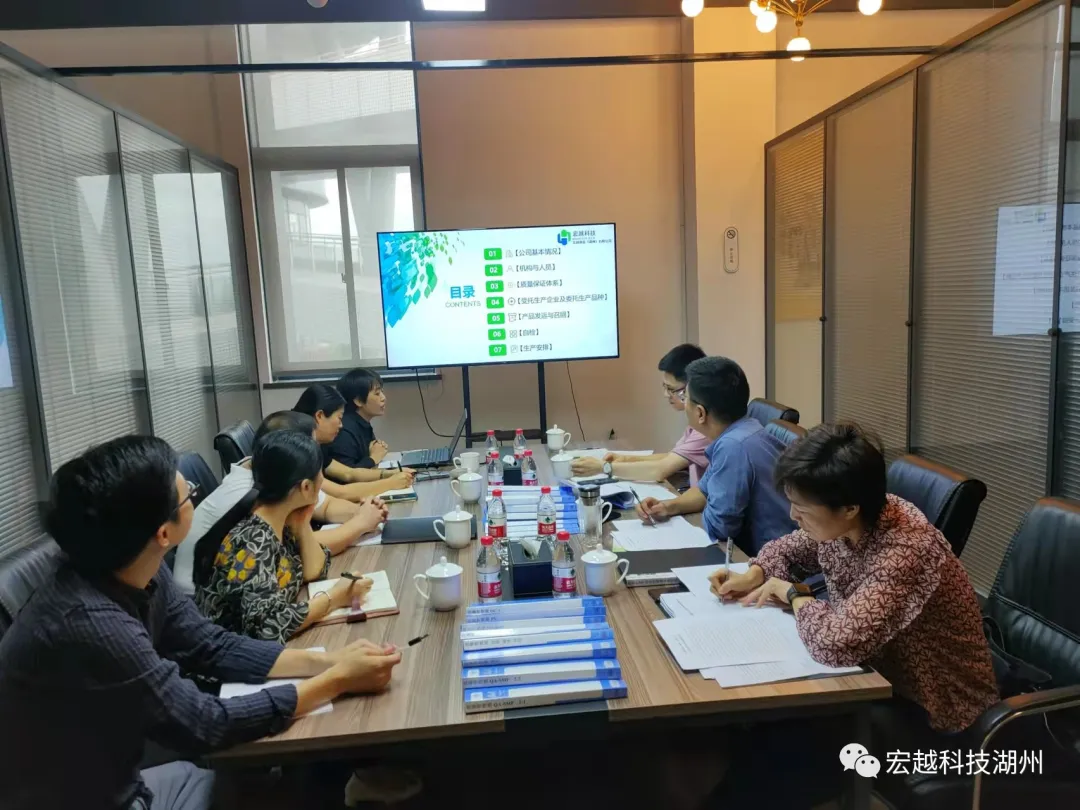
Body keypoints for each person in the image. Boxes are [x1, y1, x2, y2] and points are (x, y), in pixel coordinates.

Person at [0, 435, 401, 810]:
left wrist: (326, 662)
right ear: (163, 532)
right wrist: (336, 682)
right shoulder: (92, 623)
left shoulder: (135, 566)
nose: (194, 492)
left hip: (121, 779)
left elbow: (210, 644)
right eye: (188, 493)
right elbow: (203, 722)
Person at [707, 423, 998, 807]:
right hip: (875, 677)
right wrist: (755, 573)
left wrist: (794, 595)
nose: (793, 515)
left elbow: (836, 644)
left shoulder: (905, 549)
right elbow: (790, 549)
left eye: (802, 509)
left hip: (936, 712)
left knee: (782, 750)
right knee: (760, 732)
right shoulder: (851, 519)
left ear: (849, 509)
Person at [172, 411, 390, 596]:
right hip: (202, 601)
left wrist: (365, 511)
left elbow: (325, 508)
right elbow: (300, 548)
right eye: (309, 446)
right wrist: (360, 523)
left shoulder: (271, 477)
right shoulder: (250, 494)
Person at [196, 430, 375, 644]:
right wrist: (335, 598)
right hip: (233, 657)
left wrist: (303, 522)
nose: (322, 481)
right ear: (306, 487)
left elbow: (314, 571)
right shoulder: (254, 540)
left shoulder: (281, 518)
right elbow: (268, 627)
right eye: (320, 475)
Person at [635, 355, 795, 555]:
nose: (684, 404)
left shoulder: (733, 447)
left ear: (700, 413)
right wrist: (668, 507)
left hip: (771, 558)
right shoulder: (745, 428)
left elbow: (720, 527)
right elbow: (704, 490)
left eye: (686, 398)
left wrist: (709, 506)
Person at [571, 343, 712, 484]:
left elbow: (659, 470)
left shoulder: (705, 428)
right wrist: (625, 459)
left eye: (671, 389)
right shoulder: (697, 421)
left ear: (690, 387)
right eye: (664, 386)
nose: (666, 394)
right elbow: (671, 457)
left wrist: (604, 468)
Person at [294, 383, 415, 499]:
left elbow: (349, 474)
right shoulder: (298, 448)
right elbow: (341, 493)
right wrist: (390, 483)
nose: (341, 425)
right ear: (319, 416)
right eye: (339, 418)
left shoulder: (315, 443)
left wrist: (390, 473)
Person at [330, 368, 389, 469]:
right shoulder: (344, 431)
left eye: (382, 392)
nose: (383, 398)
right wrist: (373, 458)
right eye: (377, 393)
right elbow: (349, 474)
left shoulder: (361, 422)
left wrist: (377, 449)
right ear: (358, 401)